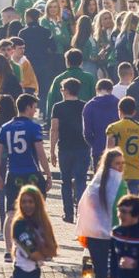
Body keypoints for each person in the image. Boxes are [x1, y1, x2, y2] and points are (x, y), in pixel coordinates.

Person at [0, 94, 51, 225]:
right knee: (38, 211)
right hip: (32, 174)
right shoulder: (34, 127)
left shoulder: (5, 127)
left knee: (11, 213)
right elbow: (41, 154)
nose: (35, 111)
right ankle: (34, 236)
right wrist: (48, 175)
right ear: (28, 107)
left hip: (13, 174)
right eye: (34, 108)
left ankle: (7, 238)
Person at [77, 148, 123, 278]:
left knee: (101, 276)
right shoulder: (117, 182)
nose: (120, 167)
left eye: (122, 163)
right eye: (117, 163)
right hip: (113, 235)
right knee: (116, 275)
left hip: (94, 235)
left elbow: (83, 206)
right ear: (110, 164)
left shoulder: (95, 182)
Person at [8, 184, 57, 278]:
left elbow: (53, 249)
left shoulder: (41, 222)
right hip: (22, 277)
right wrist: (43, 253)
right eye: (24, 202)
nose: (27, 205)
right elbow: (33, 254)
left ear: (37, 203)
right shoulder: (19, 225)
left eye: (31, 202)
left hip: (34, 274)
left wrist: (45, 252)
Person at [49, 77, 89, 223]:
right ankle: (82, 212)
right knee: (81, 180)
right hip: (83, 147)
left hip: (65, 148)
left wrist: (52, 150)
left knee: (65, 181)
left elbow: (54, 129)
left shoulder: (58, 107)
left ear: (65, 91)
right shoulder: (85, 106)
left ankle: (68, 213)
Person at [106, 96, 139, 194]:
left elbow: (109, 150)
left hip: (117, 172)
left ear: (119, 111)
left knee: (117, 200)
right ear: (134, 112)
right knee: (133, 201)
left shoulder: (113, 128)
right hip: (135, 173)